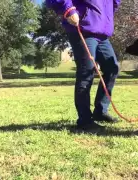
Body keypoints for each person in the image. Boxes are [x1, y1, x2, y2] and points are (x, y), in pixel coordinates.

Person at [46, 0, 121, 130]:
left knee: (112, 68)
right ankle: (85, 120)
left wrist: (107, 17)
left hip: (102, 33)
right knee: (87, 72)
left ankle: (100, 111)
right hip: (84, 29)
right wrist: (68, 10)